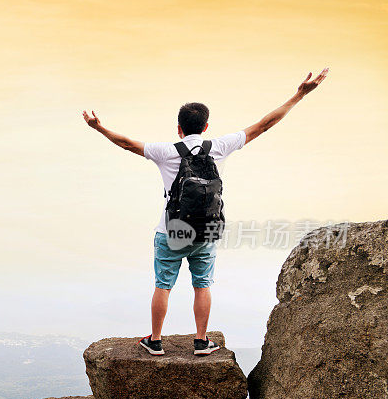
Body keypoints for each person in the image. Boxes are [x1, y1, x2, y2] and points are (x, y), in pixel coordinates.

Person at [82, 68, 329, 356]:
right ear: (206, 126)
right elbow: (264, 125)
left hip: (170, 229)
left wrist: (98, 127)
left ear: (179, 128)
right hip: (207, 229)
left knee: (163, 284)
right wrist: (299, 94)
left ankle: (156, 341)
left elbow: (126, 143)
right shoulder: (220, 147)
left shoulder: (166, 151)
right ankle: (201, 341)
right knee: (202, 284)